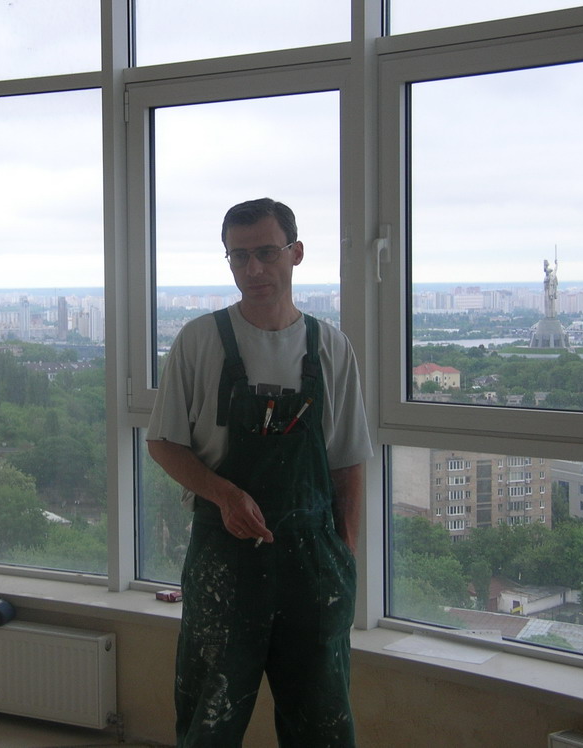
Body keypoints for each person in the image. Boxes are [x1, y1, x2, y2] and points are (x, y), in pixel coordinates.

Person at [147, 198, 373, 747]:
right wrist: (224, 495)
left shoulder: (330, 347)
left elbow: (347, 460)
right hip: (224, 565)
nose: (253, 269)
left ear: (296, 253)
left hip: (313, 566)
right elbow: (163, 443)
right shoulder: (199, 341)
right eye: (239, 256)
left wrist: (344, 553)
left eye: (267, 253)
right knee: (208, 723)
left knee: (321, 723)